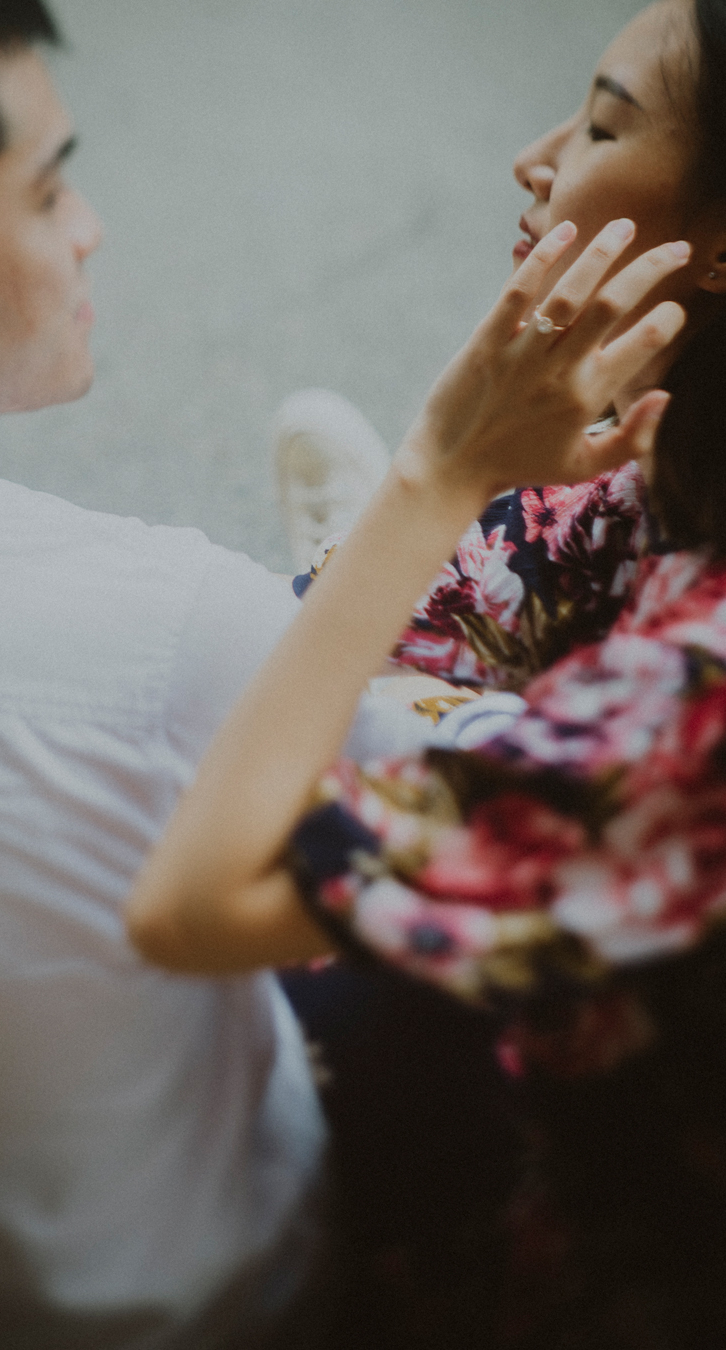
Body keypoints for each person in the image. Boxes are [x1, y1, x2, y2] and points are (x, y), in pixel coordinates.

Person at [130, 0, 726, 1343]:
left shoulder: (693, 708)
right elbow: (323, 631)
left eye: (600, 122)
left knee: (199, 1000)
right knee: (338, 636)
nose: (535, 156)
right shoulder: (671, 465)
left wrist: (436, 469)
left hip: (575, 1264)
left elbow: (189, 903)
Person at [0, 3, 337, 1346]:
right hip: (217, 1294)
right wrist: (455, 466)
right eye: (50, 188)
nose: (91, 224)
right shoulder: (151, 607)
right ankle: (337, 599)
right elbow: (513, 807)